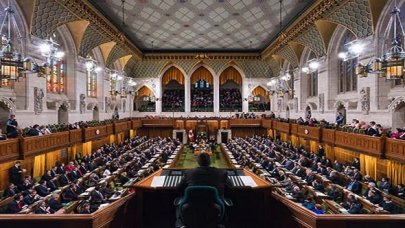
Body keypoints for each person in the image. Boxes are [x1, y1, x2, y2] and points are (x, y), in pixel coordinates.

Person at [176, 153, 231, 227]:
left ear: (198, 161)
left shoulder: (188, 173)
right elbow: (231, 186)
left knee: (178, 202)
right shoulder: (222, 173)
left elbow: (178, 188)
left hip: (191, 208)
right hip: (215, 208)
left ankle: (180, 224)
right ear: (210, 161)